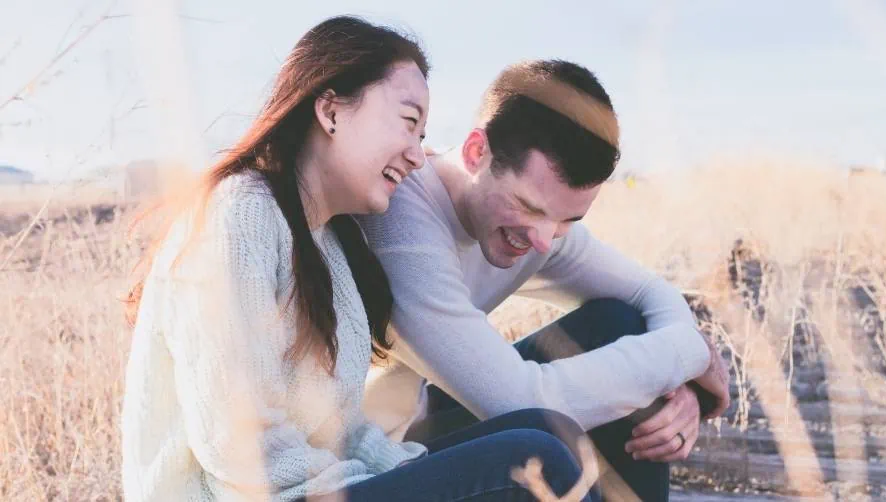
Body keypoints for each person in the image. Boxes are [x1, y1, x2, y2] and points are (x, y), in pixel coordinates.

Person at [121, 18, 598, 502]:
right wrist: (375, 485)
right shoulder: (238, 213)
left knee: (553, 431)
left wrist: (410, 471)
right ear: (330, 111)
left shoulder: (325, 242)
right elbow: (236, 443)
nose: (417, 155)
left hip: (323, 487)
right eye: (408, 123)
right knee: (538, 459)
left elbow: (342, 428)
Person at [358, 59, 731, 502]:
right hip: (367, 463)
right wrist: (688, 354)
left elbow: (650, 293)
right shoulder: (401, 219)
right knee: (547, 448)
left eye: (567, 219)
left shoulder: (541, 228)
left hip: (422, 422)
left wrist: (676, 387)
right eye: (530, 208)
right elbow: (520, 402)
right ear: (478, 152)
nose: (542, 241)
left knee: (620, 320)